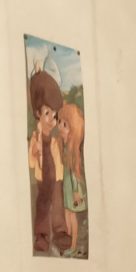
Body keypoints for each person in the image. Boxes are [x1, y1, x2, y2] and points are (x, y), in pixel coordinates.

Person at [27, 69, 68, 254]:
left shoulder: (53, 141)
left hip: (56, 177)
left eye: (55, 114)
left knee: (57, 204)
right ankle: (42, 235)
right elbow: (31, 163)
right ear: (38, 113)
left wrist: (60, 174)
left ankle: (60, 231)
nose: (52, 120)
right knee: (43, 205)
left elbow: (57, 158)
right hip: (43, 178)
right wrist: (34, 152)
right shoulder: (36, 139)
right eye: (47, 113)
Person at [57, 102, 86, 244]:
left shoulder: (72, 151)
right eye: (59, 122)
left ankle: (73, 244)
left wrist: (75, 192)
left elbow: (74, 173)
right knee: (67, 214)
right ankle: (69, 243)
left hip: (72, 188)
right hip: (66, 187)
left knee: (72, 216)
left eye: (65, 124)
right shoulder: (63, 146)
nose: (60, 126)